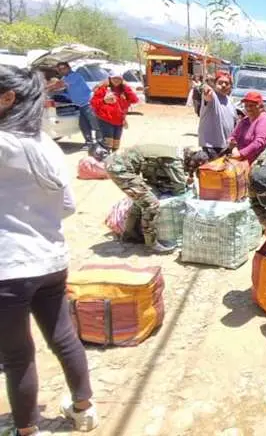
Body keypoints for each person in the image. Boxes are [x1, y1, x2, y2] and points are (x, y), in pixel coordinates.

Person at [0, 65, 99, 436]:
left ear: (8, 98)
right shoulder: (47, 146)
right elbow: (69, 206)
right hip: (50, 261)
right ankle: (83, 409)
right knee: (63, 338)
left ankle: (26, 429)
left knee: (16, 355)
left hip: (8, 268)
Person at [104, 144, 190, 253]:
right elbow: (179, 188)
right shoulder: (175, 160)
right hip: (119, 169)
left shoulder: (173, 151)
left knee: (140, 201)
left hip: (115, 162)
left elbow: (150, 174)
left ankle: (131, 235)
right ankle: (152, 243)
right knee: (151, 205)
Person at [47, 62, 102, 149]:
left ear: (69, 67)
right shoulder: (65, 78)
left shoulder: (74, 76)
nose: (62, 70)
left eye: (63, 68)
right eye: (59, 69)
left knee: (95, 124)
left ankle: (100, 143)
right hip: (80, 105)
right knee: (83, 125)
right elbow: (60, 88)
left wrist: (43, 88)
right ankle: (89, 143)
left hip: (88, 103)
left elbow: (59, 85)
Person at [90, 74, 139, 152]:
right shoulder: (103, 89)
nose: (116, 80)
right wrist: (104, 101)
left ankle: (112, 162)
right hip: (106, 120)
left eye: (119, 78)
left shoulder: (124, 90)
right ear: (110, 79)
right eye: (114, 78)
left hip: (119, 121)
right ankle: (104, 160)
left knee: (116, 146)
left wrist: (126, 87)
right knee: (108, 145)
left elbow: (135, 100)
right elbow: (93, 103)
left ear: (122, 80)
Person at [227, 91, 266, 164]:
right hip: (243, 161)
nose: (248, 108)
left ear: (260, 107)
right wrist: (232, 144)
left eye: (251, 105)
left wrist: (241, 153)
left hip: (261, 162)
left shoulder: (264, 119)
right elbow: (233, 136)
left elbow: (259, 142)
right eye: (246, 106)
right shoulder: (245, 120)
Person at [198, 72, 237, 159]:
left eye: (227, 83)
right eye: (220, 82)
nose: (223, 85)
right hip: (212, 146)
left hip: (226, 147)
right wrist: (205, 89)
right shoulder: (213, 97)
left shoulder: (230, 101)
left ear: (230, 86)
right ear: (215, 84)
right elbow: (207, 94)